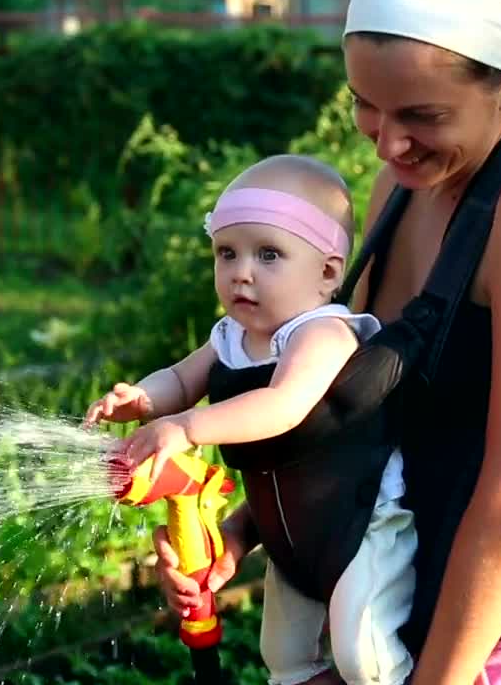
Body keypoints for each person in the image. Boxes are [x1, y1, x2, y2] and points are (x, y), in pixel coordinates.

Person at [149, 0, 501, 684]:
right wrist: (248, 534)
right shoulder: (400, 191)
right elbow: (370, 420)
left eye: (421, 115)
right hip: (400, 634)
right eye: (366, 106)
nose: (387, 144)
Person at [84, 153, 418, 685]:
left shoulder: (324, 334)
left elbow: (283, 404)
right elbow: (178, 379)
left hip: (360, 527)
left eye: (268, 254)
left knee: (365, 657)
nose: (241, 272)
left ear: (328, 272)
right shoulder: (230, 339)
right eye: (227, 253)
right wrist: (142, 400)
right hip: (290, 536)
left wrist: (187, 427)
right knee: (283, 655)